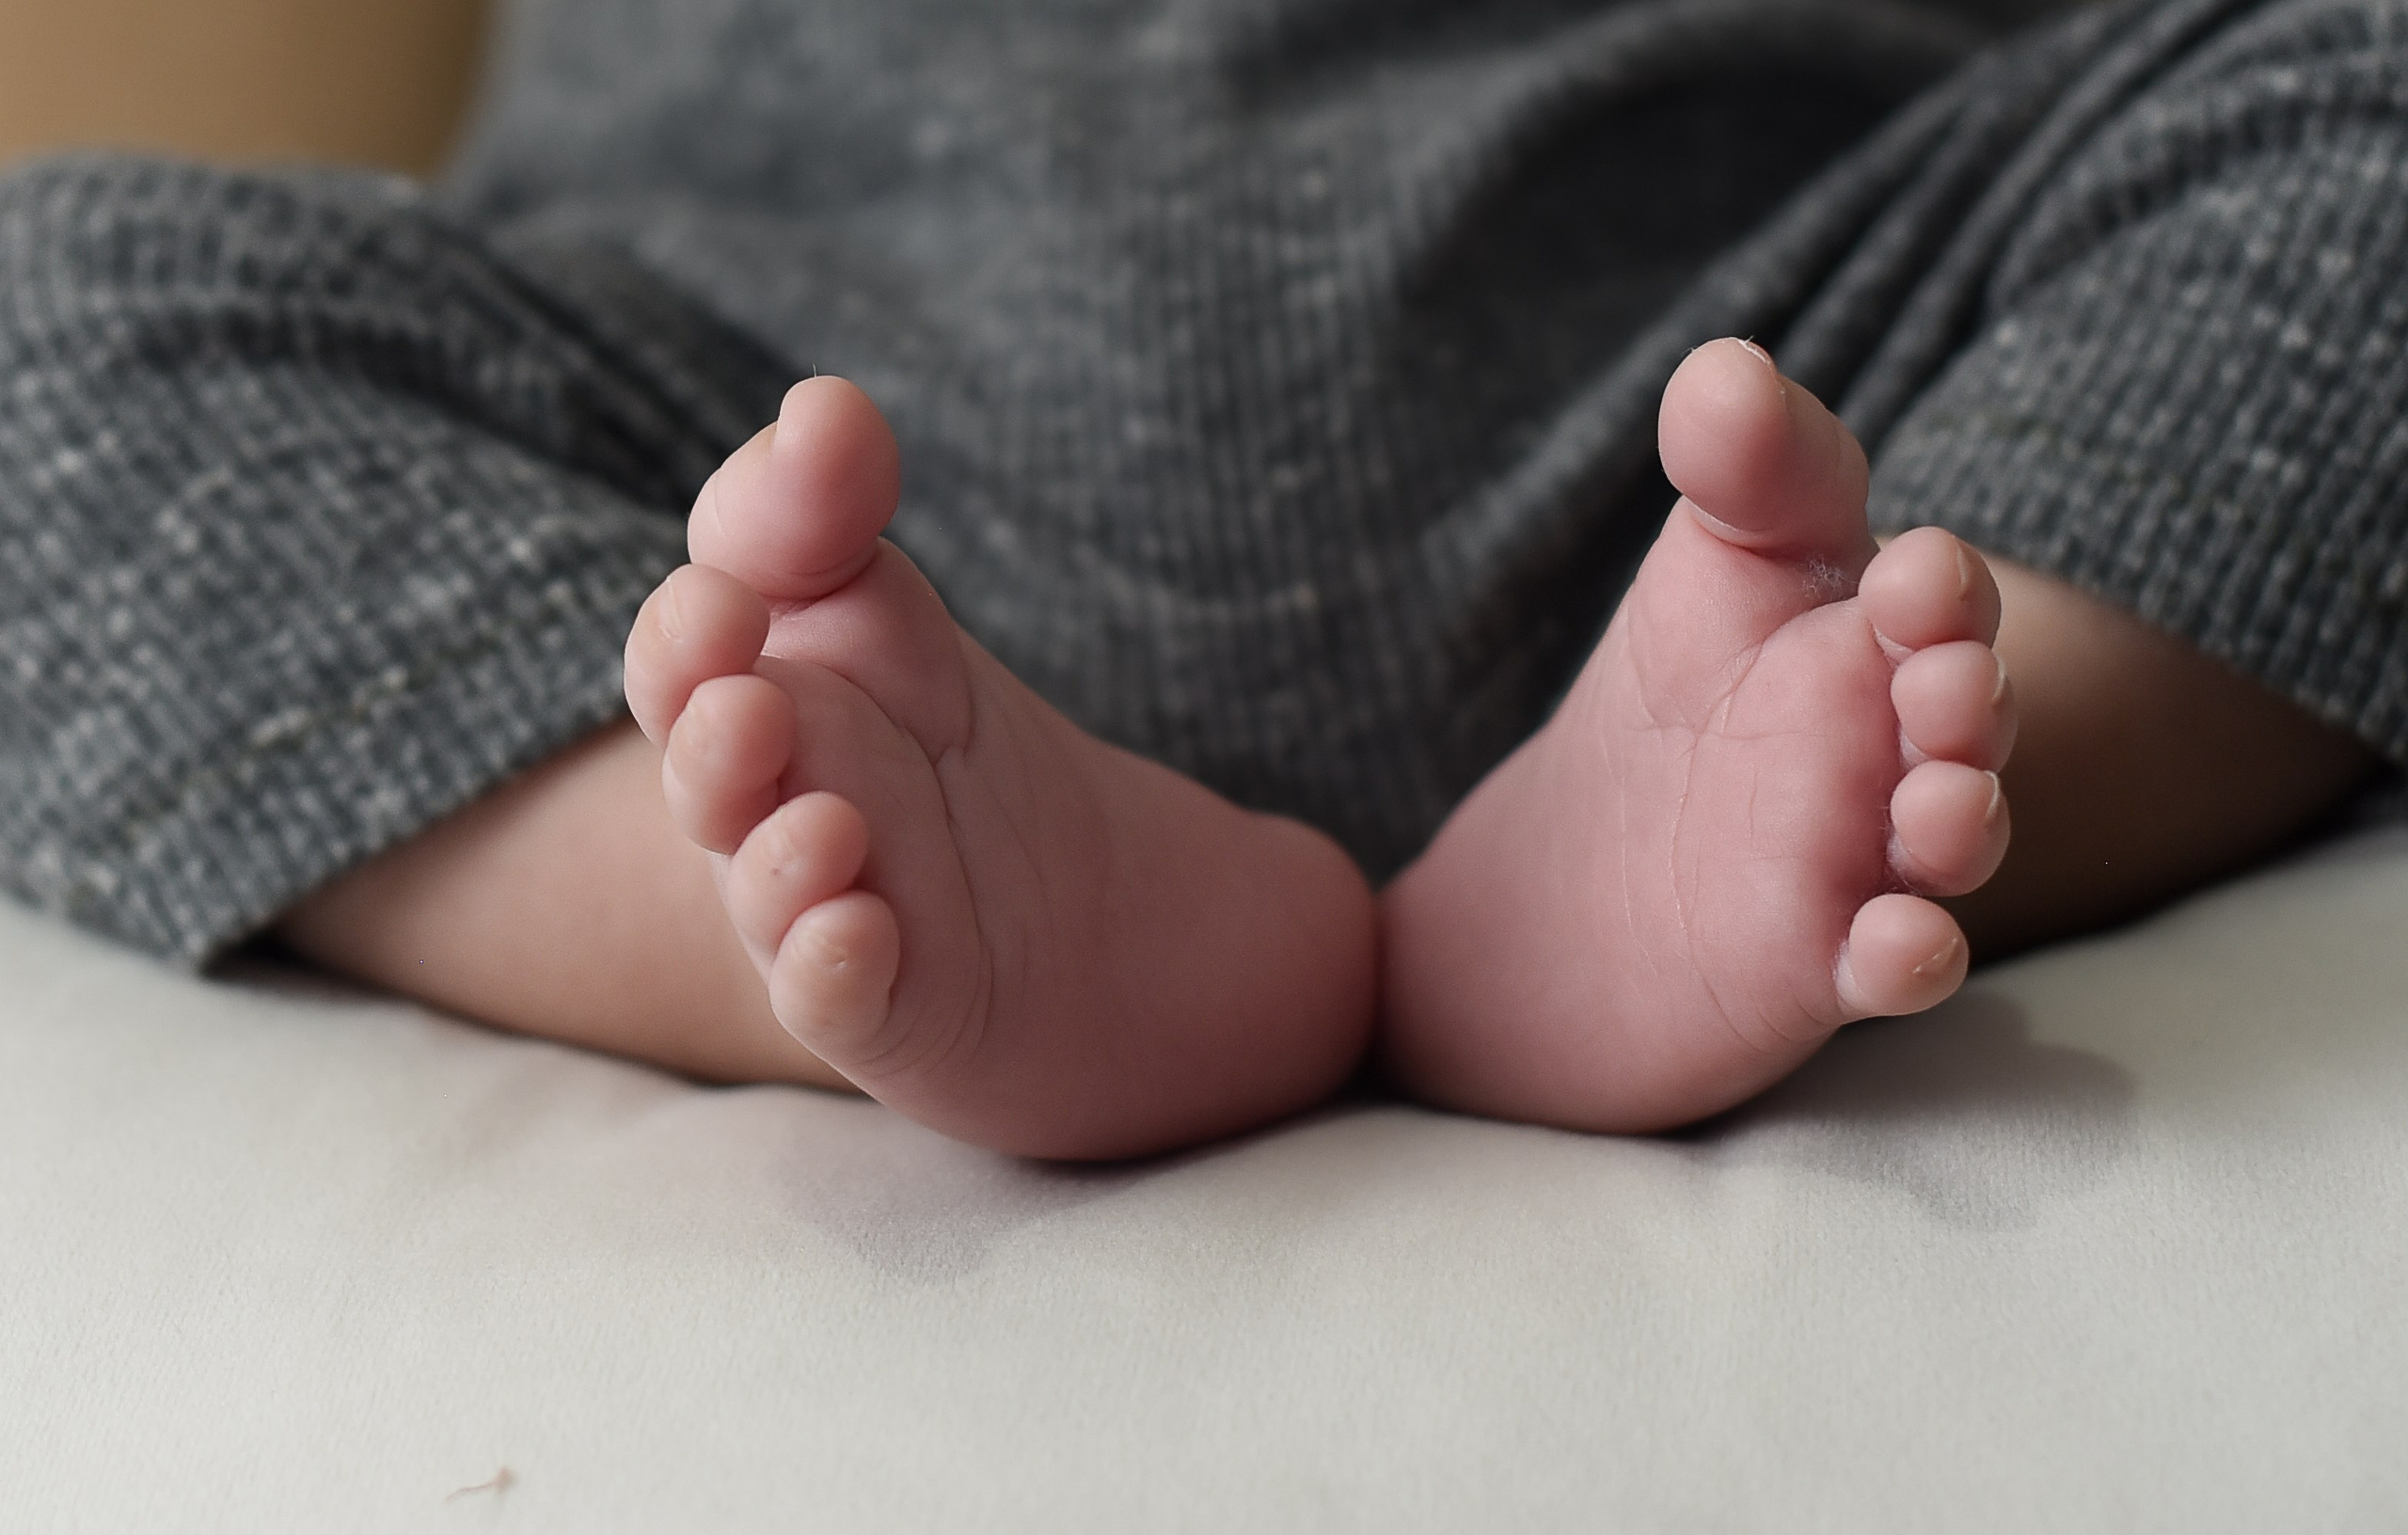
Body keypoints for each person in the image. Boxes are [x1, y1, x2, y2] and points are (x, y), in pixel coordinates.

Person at [0, 0, 2395, 1159]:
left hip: (1775, 388)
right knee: (37, 312)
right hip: (768, 439)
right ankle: (798, 882)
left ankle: (1822, 773)